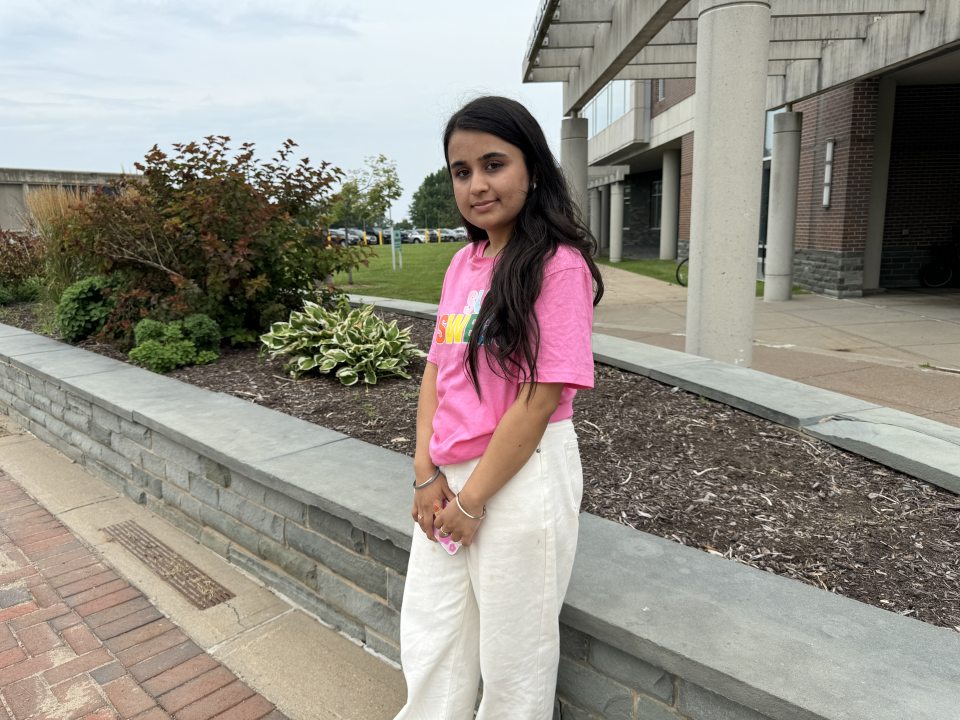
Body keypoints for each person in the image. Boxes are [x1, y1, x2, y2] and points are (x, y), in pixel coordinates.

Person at [395, 96, 604, 720]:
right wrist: (426, 475)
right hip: (449, 475)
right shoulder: (464, 262)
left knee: (515, 655)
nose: (477, 184)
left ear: (531, 169)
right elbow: (437, 368)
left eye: (494, 164)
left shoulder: (557, 266)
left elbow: (540, 399)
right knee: (434, 634)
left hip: (520, 477)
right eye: (462, 172)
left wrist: (472, 501)